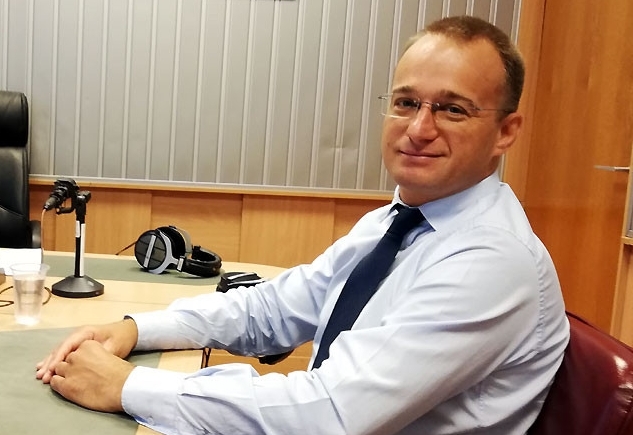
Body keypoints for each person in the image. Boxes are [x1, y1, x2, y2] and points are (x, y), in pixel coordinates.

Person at [36, 15, 569, 435]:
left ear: (506, 131)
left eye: (452, 110)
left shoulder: (490, 262)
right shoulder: (397, 220)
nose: (419, 128)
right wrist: (136, 329)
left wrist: (129, 387)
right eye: (406, 103)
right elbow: (275, 308)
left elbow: (331, 414)